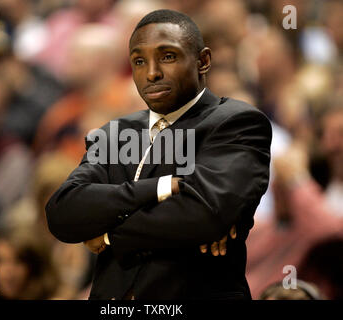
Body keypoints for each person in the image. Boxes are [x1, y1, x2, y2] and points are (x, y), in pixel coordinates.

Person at [46, 9, 272, 300]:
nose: (151, 73)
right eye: (139, 61)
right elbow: (63, 212)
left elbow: (203, 215)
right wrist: (161, 187)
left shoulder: (235, 121)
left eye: (167, 56)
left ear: (203, 61)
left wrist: (107, 234)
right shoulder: (115, 132)